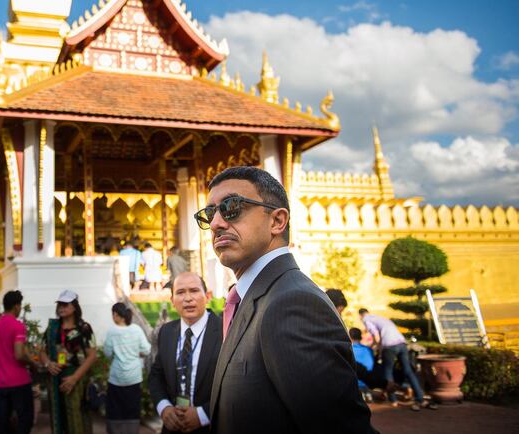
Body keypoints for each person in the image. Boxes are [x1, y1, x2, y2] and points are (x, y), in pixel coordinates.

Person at [200, 166, 376, 433]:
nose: (216, 223)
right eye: (210, 213)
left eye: (231, 206)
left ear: (277, 221)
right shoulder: (251, 299)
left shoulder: (292, 304)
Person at [148, 272, 221, 434]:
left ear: (207, 296)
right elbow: (156, 376)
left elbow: (234, 386)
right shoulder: (166, 332)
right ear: (172, 301)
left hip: (211, 426)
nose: (188, 298)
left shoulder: (225, 331)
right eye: (180, 292)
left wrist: (203, 415)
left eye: (194, 290)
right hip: (172, 426)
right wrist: (164, 407)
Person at [39, 290, 98, 434]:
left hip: (76, 377)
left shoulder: (84, 328)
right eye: (59, 304)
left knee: (75, 416)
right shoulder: (53, 328)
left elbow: (92, 356)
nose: (61, 308)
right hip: (56, 377)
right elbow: (41, 350)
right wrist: (48, 364)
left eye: (65, 304)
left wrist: (74, 378)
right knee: (58, 417)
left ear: (74, 307)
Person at [359, 308, 437, 411]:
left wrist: (375, 348)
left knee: (388, 371)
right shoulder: (380, 318)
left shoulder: (366, 319)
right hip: (401, 343)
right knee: (408, 371)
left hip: (389, 345)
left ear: (360, 315)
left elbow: (376, 336)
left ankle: (393, 399)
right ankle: (420, 398)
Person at [0, 290, 36, 434]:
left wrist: (2, 362)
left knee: (3, 423)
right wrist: (32, 363)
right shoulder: (17, 326)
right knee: (25, 421)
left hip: (1, 384)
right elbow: (19, 355)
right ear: (16, 307)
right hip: (20, 383)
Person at [103, 303, 151, 434]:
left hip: (116, 378)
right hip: (134, 377)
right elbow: (147, 350)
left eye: (113, 314)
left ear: (117, 315)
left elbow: (107, 353)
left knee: (115, 409)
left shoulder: (112, 331)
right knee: (132, 408)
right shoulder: (136, 329)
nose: (112, 317)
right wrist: (136, 353)